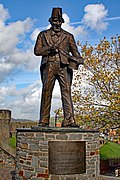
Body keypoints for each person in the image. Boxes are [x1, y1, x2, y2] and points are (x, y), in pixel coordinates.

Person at [34, 7, 84, 127]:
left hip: (64, 66)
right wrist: (49, 49)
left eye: (59, 21)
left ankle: (69, 120)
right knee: (46, 92)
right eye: (55, 21)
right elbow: (37, 51)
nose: (57, 23)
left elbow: (76, 52)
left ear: (62, 22)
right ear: (51, 21)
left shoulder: (68, 36)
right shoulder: (43, 35)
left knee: (66, 92)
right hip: (49, 65)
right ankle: (44, 120)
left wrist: (78, 59)